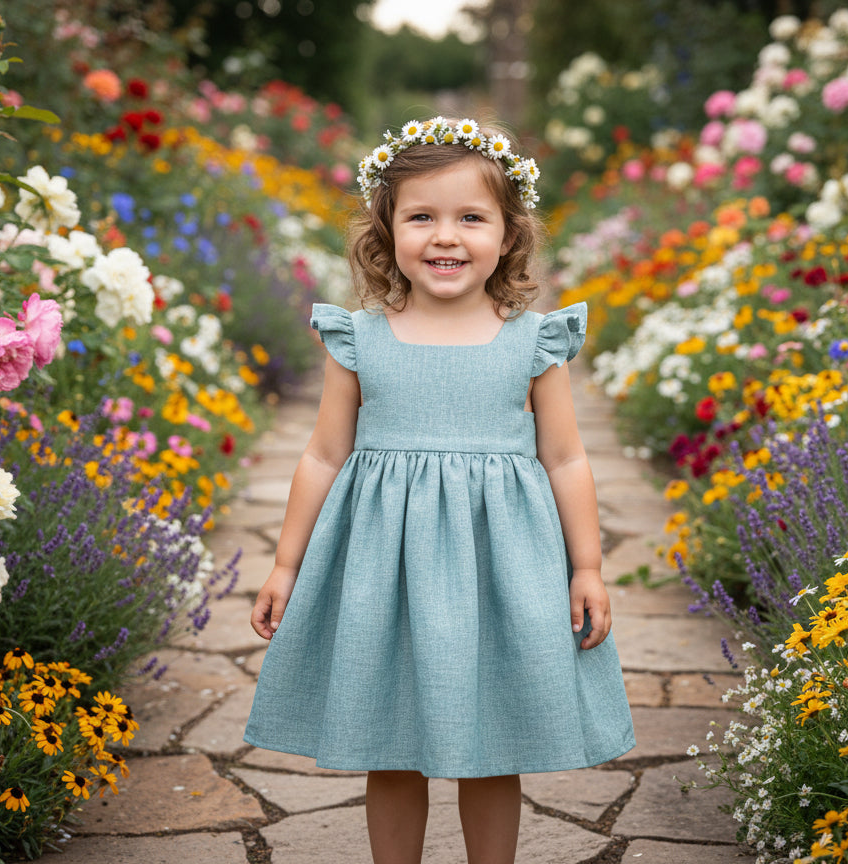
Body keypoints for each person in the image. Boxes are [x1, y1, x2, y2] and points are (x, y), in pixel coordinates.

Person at [245, 117, 634, 864]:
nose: (445, 236)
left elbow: (566, 457)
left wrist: (586, 566)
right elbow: (325, 454)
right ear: (386, 231)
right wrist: (286, 566)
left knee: (493, 741)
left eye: (470, 218)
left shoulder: (534, 340)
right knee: (389, 742)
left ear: (509, 234)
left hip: (501, 569)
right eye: (421, 216)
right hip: (383, 571)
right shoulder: (361, 337)